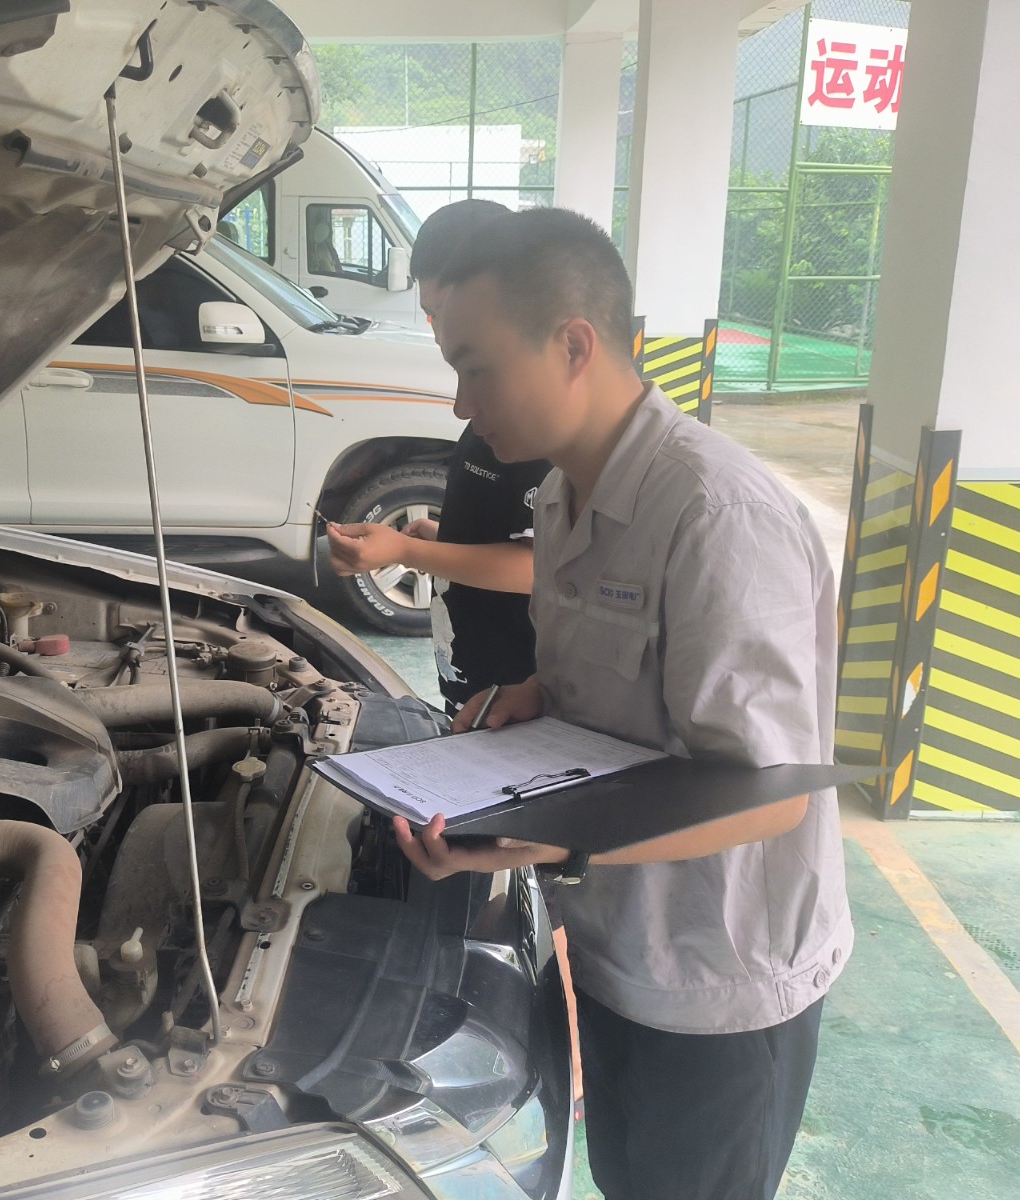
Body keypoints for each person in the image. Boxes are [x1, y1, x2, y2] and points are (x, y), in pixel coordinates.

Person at [395, 206, 851, 1200]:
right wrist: (529, 698)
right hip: (611, 948)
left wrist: (551, 843)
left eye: (476, 368)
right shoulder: (564, 498)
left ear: (572, 345)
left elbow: (771, 796)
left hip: (718, 982)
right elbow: (602, 689)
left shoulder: (716, 514)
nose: (463, 403)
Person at [326, 199, 550, 716]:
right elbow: (511, 523)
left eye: (443, 310)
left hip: (515, 696)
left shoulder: (532, 420)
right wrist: (445, 537)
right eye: (428, 312)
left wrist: (409, 553)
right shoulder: (488, 404)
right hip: (473, 679)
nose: (436, 329)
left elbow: (539, 567)